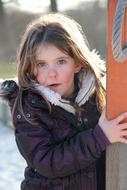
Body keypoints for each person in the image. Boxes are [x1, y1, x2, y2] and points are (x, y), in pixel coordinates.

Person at [1, 13, 127, 190]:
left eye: (60, 61)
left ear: (77, 63)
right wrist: (100, 137)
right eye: (42, 64)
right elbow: (48, 162)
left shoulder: (98, 95)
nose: (52, 73)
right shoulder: (28, 107)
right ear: (31, 68)